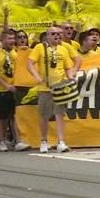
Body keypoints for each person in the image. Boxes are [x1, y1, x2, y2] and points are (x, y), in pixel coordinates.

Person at [27, 26, 76, 154]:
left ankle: (61, 141)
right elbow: (29, 63)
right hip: (45, 87)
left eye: (59, 34)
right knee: (44, 115)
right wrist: (37, 76)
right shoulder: (39, 48)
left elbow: (68, 66)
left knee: (60, 114)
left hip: (60, 86)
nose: (56, 36)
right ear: (47, 35)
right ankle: (44, 140)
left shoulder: (63, 49)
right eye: (53, 34)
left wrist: (70, 76)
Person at [0, 30, 18, 152]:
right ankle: (1, 140)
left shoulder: (16, 53)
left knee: (15, 116)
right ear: (3, 40)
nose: (12, 41)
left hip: (15, 89)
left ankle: (17, 140)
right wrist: (6, 85)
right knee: (1, 117)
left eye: (13, 38)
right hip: (1, 90)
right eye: (9, 38)